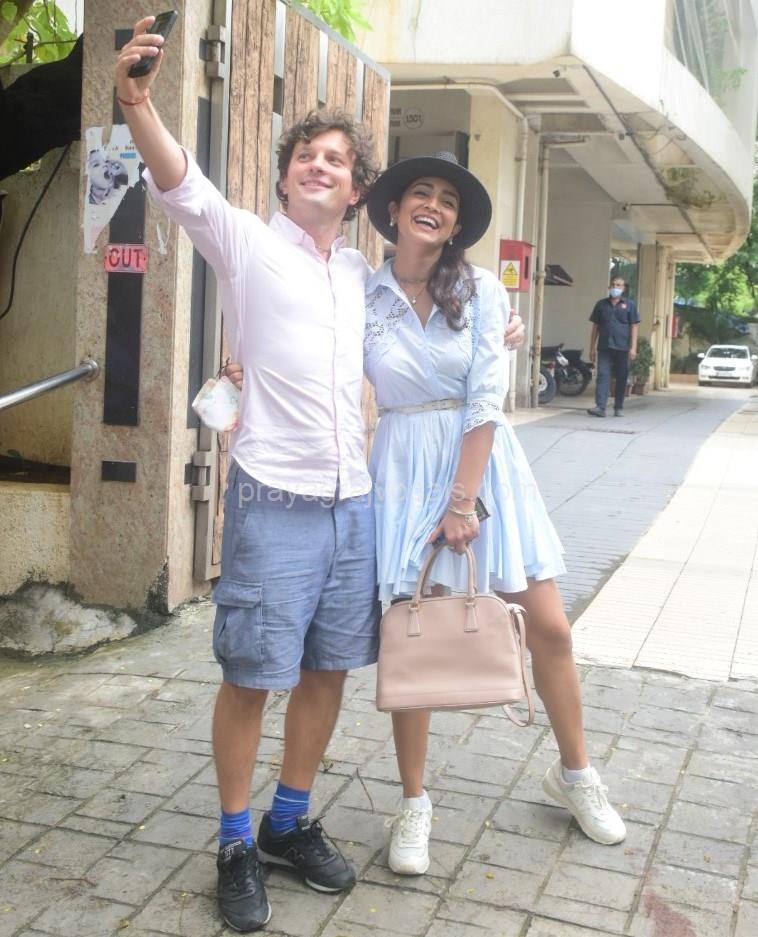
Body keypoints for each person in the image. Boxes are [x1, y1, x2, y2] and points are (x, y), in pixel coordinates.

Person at [116, 15, 525, 933]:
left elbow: (442, 302)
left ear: (357, 187)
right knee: (250, 676)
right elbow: (180, 182)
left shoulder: (360, 275)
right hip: (274, 499)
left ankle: (288, 819)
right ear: (285, 174)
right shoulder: (245, 242)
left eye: (336, 159)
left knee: (329, 669)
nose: (319, 165)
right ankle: (234, 838)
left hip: (356, 505)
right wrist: (136, 101)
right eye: (306, 154)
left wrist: (503, 324)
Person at [362, 153, 626, 877]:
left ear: (455, 225)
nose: (434, 205)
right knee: (412, 636)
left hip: (482, 464)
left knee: (549, 627)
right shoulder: (361, 291)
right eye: (421, 193)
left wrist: (462, 501)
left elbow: (485, 394)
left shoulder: (479, 288)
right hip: (401, 464)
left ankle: (575, 774)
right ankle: (413, 802)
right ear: (394, 210)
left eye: (448, 200)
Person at [587, 276, 639, 418]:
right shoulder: (601, 305)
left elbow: (634, 326)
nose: (616, 287)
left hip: (622, 348)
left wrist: (633, 348)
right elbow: (595, 327)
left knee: (622, 377)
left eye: (619, 285)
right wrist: (592, 348)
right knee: (603, 375)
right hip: (604, 347)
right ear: (609, 287)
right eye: (613, 284)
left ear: (623, 288)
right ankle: (600, 407)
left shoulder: (630, 305)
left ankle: (618, 407)